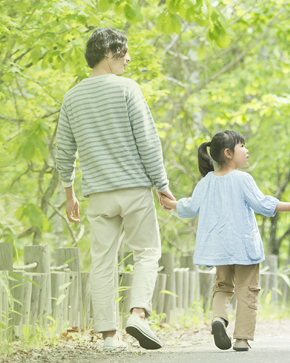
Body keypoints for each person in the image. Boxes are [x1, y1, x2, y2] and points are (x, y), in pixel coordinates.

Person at [54, 27, 173, 351]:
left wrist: (69, 194)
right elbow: (148, 142)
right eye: (124, 52)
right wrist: (162, 186)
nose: (128, 58)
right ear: (108, 52)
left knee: (103, 262)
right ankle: (138, 314)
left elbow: (64, 151)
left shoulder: (72, 96)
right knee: (147, 251)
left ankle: (109, 336)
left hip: (99, 195)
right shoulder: (127, 89)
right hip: (134, 188)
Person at [158, 131, 290, 352]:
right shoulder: (243, 179)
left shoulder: (206, 182)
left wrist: (170, 204)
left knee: (222, 286)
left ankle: (219, 318)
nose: (247, 150)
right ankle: (241, 339)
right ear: (228, 153)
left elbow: (189, 207)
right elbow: (262, 204)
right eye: (242, 146)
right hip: (243, 246)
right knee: (248, 290)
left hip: (218, 248)